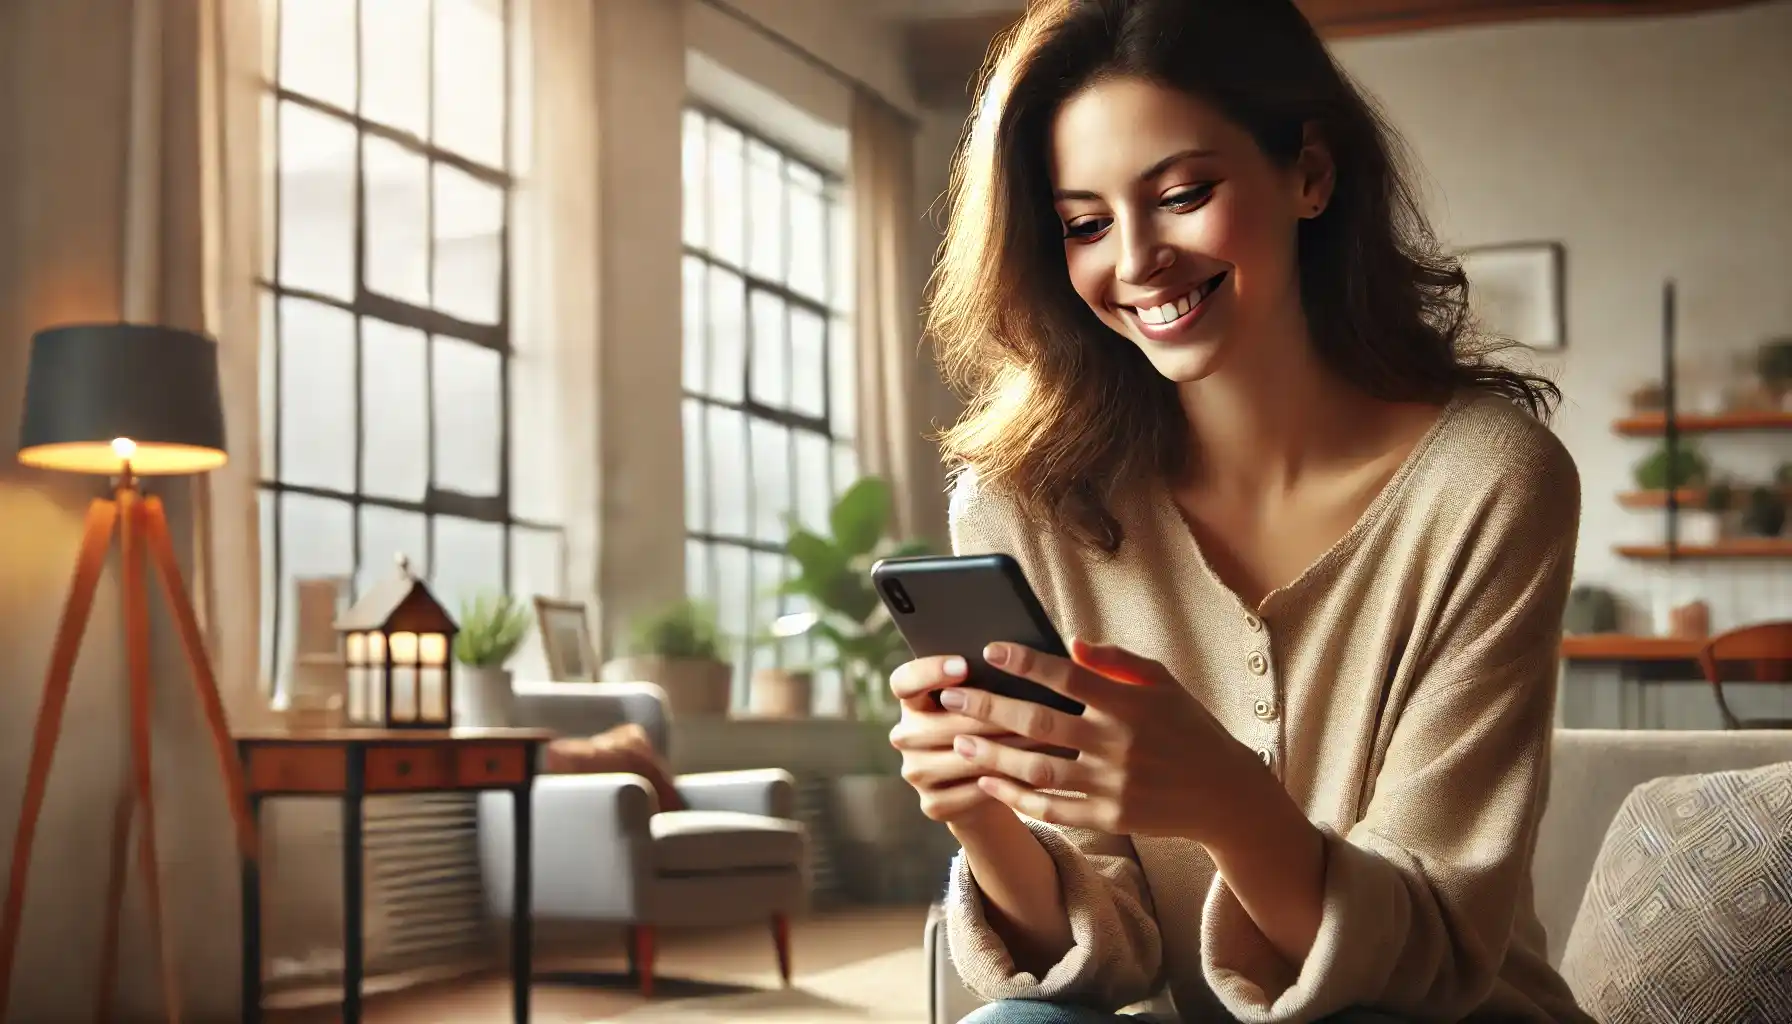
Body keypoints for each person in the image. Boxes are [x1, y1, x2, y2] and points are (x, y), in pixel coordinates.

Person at [889, 1, 1595, 1022]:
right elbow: (1107, 962)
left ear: (1308, 173)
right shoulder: (1024, 503)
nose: (1134, 261)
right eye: (1084, 222)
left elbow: (1435, 959)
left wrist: (1226, 801)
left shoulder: (1487, 479)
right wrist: (982, 817)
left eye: (1181, 194)